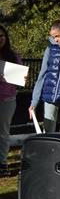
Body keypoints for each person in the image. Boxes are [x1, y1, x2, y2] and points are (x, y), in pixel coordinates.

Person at [0, 24, 22, 176]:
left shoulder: (13, 56)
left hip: (7, 100)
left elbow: (20, 79)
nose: (0, 39)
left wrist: (9, 77)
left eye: (2, 36)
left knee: (3, 132)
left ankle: (2, 163)